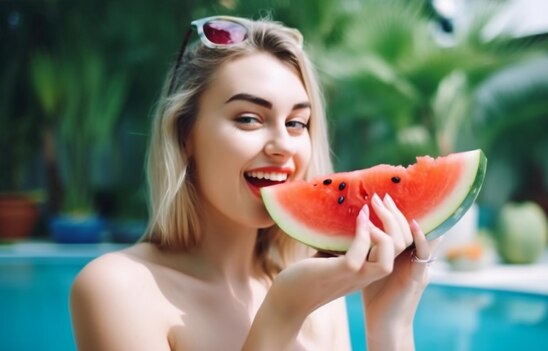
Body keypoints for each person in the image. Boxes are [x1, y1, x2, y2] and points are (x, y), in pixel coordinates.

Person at [70, 15, 440, 351]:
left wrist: (390, 326)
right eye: (249, 118)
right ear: (186, 135)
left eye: (297, 123)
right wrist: (280, 315)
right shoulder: (118, 289)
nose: (282, 146)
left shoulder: (315, 289)